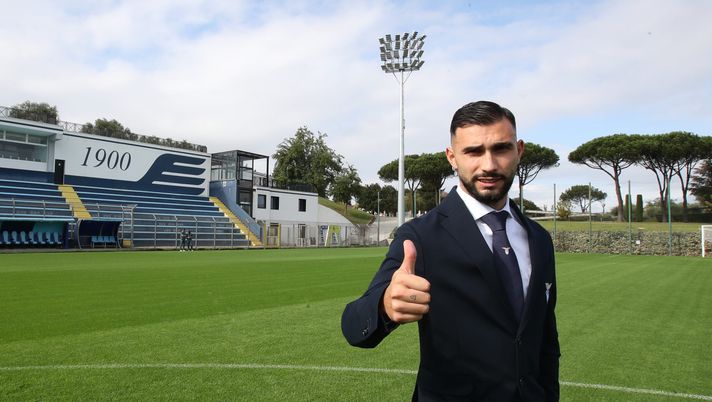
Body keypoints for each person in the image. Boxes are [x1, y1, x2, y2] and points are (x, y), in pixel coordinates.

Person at [341, 101, 560, 401]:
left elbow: (546, 339)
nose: (489, 165)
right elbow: (354, 325)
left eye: (501, 149)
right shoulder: (420, 237)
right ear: (452, 157)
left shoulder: (538, 239)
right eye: (473, 152)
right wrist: (384, 306)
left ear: (519, 150)